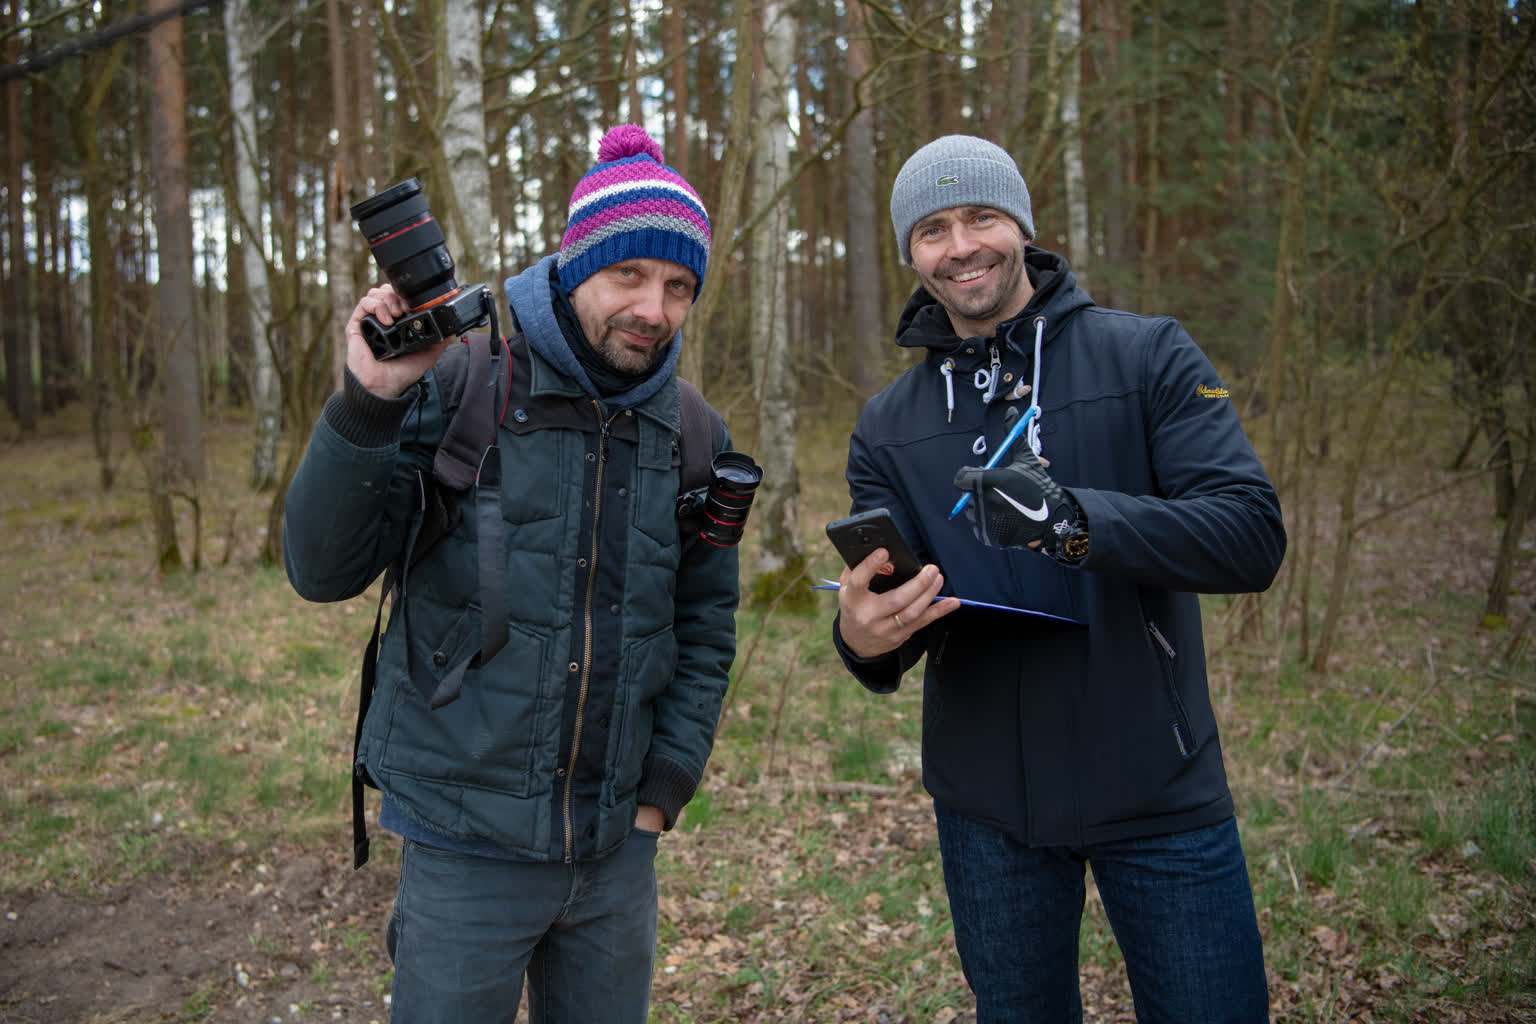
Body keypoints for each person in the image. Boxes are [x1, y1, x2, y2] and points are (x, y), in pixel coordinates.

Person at [283, 125, 740, 1024]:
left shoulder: (692, 432)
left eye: (678, 285)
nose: (653, 308)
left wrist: (663, 788)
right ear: (574, 266)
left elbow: (705, 622)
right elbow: (321, 570)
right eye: (628, 274)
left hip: (616, 856)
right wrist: (370, 404)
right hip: (463, 850)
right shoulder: (463, 383)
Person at [831, 134, 1286, 1022]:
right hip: (986, 810)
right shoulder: (888, 424)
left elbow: (1249, 536)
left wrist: (1079, 523)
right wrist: (863, 635)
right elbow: (893, 616)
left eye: (981, 218)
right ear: (909, 254)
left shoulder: (1146, 357)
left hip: (1157, 783)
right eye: (932, 230)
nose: (961, 246)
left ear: (1023, 227)